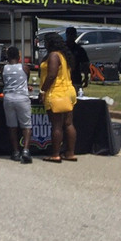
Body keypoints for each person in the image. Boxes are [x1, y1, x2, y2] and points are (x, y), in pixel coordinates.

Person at [39, 33, 77, 162]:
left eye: (45, 42)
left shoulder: (54, 55)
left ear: (50, 43)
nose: (44, 44)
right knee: (68, 123)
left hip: (57, 93)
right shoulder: (64, 55)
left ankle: (55, 154)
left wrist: (42, 90)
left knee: (56, 125)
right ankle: (70, 153)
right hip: (68, 91)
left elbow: (52, 75)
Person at [1, 46, 33, 163]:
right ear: (19, 57)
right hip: (22, 98)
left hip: (8, 98)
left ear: (8, 57)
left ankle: (15, 151)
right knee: (26, 125)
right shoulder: (24, 68)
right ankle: (25, 150)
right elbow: (26, 80)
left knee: (12, 126)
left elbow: (4, 82)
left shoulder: (4, 68)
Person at [64, 26, 90, 97]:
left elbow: (85, 64)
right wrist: (86, 77)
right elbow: (85, 64)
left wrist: (86, 77)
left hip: (75, 78)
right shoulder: (62, 48)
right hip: (64, 79)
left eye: (72, 35)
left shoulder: (79, 50)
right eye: (69, 35)